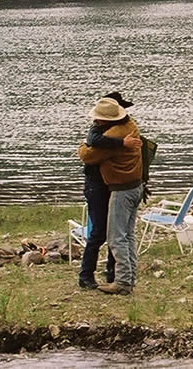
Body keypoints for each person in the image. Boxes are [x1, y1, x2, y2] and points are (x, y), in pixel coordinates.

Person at [77, 95, 144, 295]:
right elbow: (95, 138)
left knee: (113, 236)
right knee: (121, 233)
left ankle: (119, 279)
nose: (95, 121)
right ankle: (119, 276)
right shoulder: (128, 127)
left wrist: (82, 147)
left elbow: (87, 155)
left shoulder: (115, 135)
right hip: (121, 186)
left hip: (116, 188)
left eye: (100, 118)